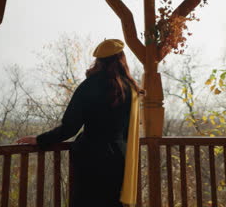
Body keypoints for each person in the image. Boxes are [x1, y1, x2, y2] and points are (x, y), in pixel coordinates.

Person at [16, 39, 142, 207]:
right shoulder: (130, 88)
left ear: (99, 60)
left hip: (92, 156)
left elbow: (70, 127)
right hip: (119, 158)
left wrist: (40, 139)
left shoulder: (90, 85)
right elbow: (129, 130)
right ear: (122, 59)